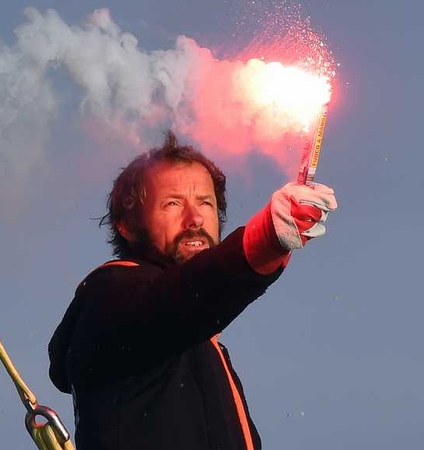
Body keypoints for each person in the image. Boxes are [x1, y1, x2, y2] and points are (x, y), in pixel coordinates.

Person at [48, 131, 337, 450]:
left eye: (206, 203)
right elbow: (179, 299)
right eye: (172, 203)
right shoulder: (110, 296)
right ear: (127, 226)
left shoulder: (191, 333)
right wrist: (266, 238)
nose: (195, 218)